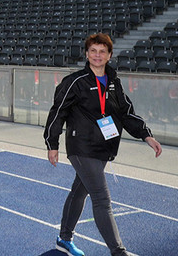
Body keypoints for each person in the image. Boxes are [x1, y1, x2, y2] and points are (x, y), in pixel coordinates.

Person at [44, 33, 162, 256]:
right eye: (93, 51)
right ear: (87, 54)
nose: (97, 55)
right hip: (82, 146)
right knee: (102, 199)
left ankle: (64, 239)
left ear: (109, 55)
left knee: (79, 192)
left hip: (103, 148)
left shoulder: (114, 84)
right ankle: (118, 252)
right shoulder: (75, 82)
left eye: (102, 51)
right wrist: (53, 143)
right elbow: (57, 113)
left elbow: (127, 113)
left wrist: (147, 136)